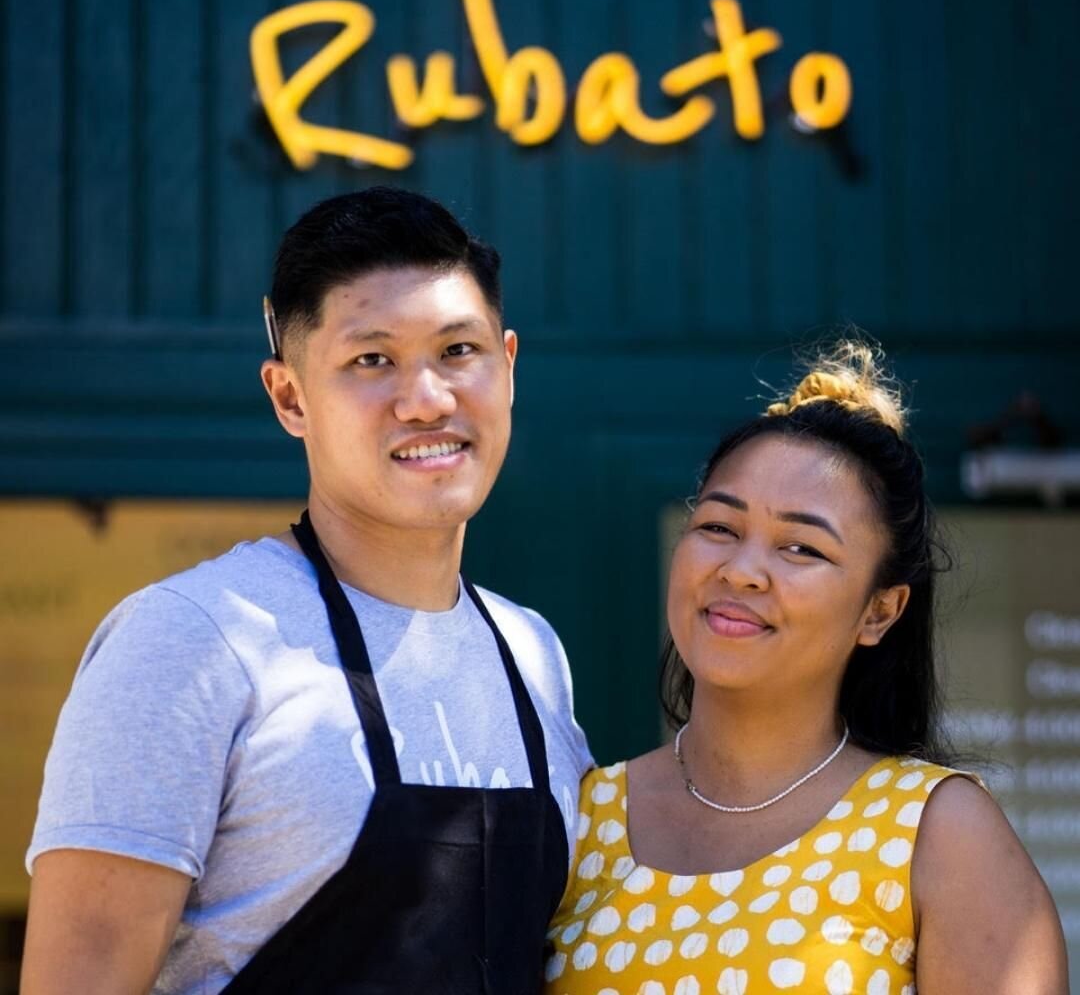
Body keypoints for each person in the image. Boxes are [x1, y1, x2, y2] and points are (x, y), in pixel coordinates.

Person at [22, 186, 592, 994]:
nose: (427, 398)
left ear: (508, 366)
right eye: (372, 360)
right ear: (290, 397)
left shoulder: (530, 653)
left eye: (458, 351)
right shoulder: (191, 639)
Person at [546, 343, 1066, 995]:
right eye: (718, 526)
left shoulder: (938, 834)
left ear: (879, 611)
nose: (740, 570)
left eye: (801, 546)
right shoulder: (578, 819)